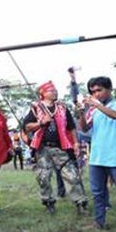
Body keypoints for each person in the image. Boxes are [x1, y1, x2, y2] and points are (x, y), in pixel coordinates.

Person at [76, 76, 116, 232]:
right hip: (96, 157)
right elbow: (83, 128)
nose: (96, 94)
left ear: (109, 89)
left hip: (115, 157)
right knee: (98, 193)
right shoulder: (93, 110)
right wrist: (82, 112)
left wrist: (96, 105)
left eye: (99, 90)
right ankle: (99, 222)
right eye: (93, 91)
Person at [23, 81, 88, 215]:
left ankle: (80, 203)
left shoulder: (63, 108)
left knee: (72, 176)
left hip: (61, 147)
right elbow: (27, 126)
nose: (55, 92)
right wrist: (41, 123)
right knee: (43, 177)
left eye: (55, 90)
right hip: (43, 149)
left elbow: (71, 127)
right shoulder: (36, 108)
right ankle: (48, 203)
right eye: (51, 90)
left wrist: (75, 143)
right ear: (43, 94)